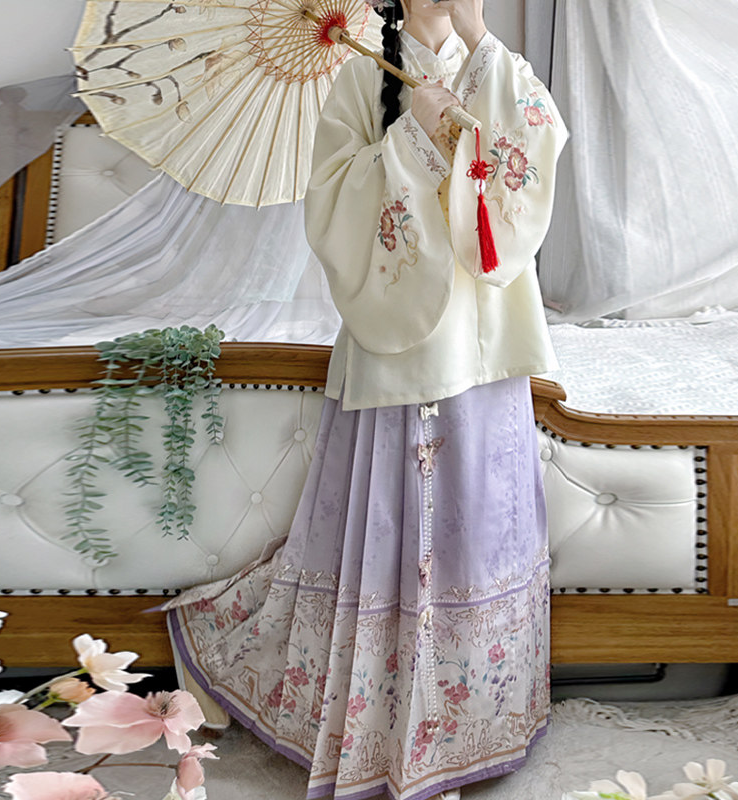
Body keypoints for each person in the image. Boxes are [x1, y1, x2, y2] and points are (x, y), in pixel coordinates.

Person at [165, 1, 568, 798]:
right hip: (401, 338)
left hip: (490, 328)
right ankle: (389, 727)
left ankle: (473, 722)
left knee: (483, 517)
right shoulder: (358, 77)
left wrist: (478, 39)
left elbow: (537, 147)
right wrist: (412, 134)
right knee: (403, 523)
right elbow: (332, 207)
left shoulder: (498, 65)